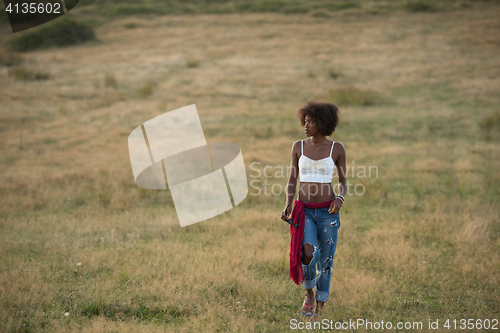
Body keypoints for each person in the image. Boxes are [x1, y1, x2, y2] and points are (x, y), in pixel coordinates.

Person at [281, 99, 346, 321]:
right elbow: (292, 178)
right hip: (304, 210)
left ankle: (319, 308)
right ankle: (309, 294)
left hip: (328, 212)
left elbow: (343, 181)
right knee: (307, 253)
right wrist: (288, 203)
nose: (305, 125)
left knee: (326, 261)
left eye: (311, 122)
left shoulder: (337, 148)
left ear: (323, 123)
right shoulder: (298, 147)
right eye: (305, 121)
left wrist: (340, 198)